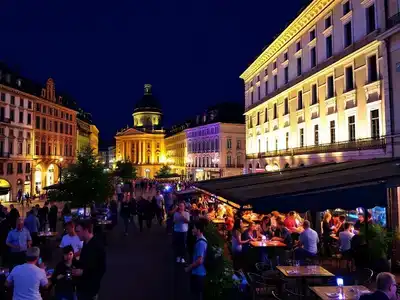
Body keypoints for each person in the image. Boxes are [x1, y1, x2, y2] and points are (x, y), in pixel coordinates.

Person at [73, 220, 106, 300]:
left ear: (86, 230)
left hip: (90, 289)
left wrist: (83, 272)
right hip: (83, 287)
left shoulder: (97, 246)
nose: (76, 234)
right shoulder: (85, 243)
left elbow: (101, 269)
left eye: (78, 231)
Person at [185, 221, 207, 300]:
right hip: (197, 272)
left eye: (194, 228)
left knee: (196, 295)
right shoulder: (199, 240)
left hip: (199, 273)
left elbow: (200, 260)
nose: (192, 230)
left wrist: (189, 267)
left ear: (198, 230)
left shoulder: (201, 243)